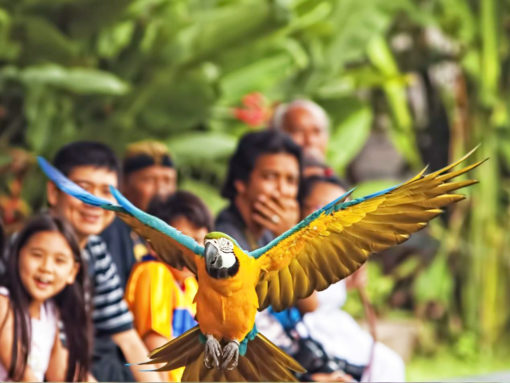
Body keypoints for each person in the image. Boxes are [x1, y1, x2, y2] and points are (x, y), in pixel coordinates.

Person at [45, 141, 161, 382]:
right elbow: (51, 354)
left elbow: (126, 336)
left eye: (107, 192)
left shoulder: (94, 248)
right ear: (54, 193)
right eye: (82, 188)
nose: (95, 202)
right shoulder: (39, 251)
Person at [298, 174, 406, 382]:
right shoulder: (294, 250)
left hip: (338, 327)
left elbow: (339, 291)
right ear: (301, 209)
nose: (333, 218)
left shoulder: (336, 250)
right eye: (324, 208)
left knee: (389, 364)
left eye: (343, 212)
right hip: (312, 334)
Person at [125, 191, 210, 381]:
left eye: (200, 241)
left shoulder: (190, 285)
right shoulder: (154, 273)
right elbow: (155, 345)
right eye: (184, 240)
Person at [0, 214, 92, 381]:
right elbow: (21, 373)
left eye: (59, 261)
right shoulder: (3, 304)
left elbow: (60, 372)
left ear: (72, 272)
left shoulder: (50, 312)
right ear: (18, 255)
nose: (47, 268)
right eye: (37, 255)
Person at [101, 140, 178, 288]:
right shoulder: (112, 228)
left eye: (167, 180)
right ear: (123, 185)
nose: (161, 190)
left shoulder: (173, 230)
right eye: (149, 180)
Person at [216, 129, 302, 250]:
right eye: (270, 177)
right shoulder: (224, 239)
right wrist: (288, 239)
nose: (282, 190)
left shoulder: (267, 233)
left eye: (290, 180)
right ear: (241, 182)